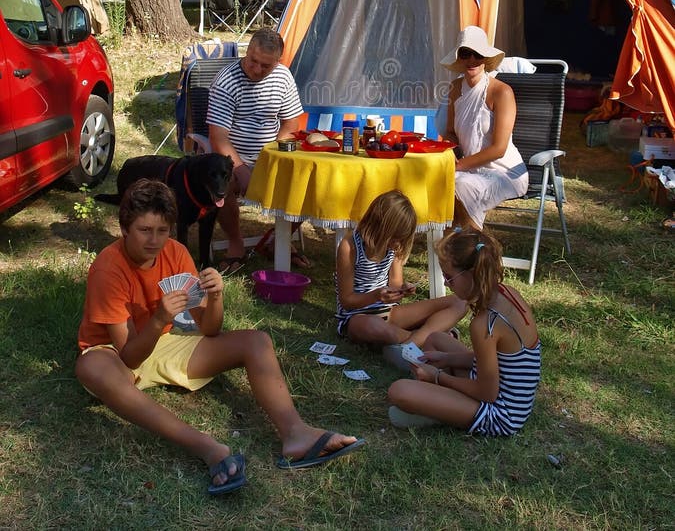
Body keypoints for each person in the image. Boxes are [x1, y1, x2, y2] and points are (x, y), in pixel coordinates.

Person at [76, 179, 364, 496]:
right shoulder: (108, 267)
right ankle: (209, 449)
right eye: (145, 230)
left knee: (255, 340)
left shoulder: (176, 252)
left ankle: (296, 434)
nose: (155, 240)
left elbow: (210, 329)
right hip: (115, 353)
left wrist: (215, 298)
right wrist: (159, 318)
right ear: (124, 229)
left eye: (163, 230)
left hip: (163, 342)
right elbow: (129, 357)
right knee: (92, 368)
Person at [387, 227, 541, 433]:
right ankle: (442, 403)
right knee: (435, 339)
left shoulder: (484, 324)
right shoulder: (508, 293)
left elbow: (487, 393)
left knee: (400, 390)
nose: (445, 283)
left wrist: (437, 377)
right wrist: (448, 359)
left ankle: (442, 412)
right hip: (501, 392)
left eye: (449, 277)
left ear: (471, 274)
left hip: (501, 415)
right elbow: (503, 363)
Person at [207, 28, 305, 272]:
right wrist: (242, 171)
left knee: (309, 183)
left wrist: (274, 155)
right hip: (232, 158)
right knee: (223, 186)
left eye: (266, 66)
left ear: (278, 62)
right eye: (254, 61)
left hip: (269, 156)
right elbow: (218, 138)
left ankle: (278, 241)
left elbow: (291, 123)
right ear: (247, 51)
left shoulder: (283, 77)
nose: (258, 69)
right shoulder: (227, 80)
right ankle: (235, 242)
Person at [335, 190, 467, 367]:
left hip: (389, 312)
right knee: (372, 326)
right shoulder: (349, 246)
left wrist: (402, 290)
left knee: (460, 302)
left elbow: (395, 283)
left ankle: (409, 345)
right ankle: (436, 339)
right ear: (378, 227)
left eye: (401, 239)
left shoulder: (394, 247)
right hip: (357, 317)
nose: (397, 244)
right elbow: (346, 301)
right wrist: (376, 296)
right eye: (395, 238)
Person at [439, 25, 528, 231]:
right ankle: (453, 246)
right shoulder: (455, 88)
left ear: (486, 58)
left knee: (460, 185)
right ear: (459, 57)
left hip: (504, 173)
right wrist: (451, 153)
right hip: (469, 169)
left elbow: (499, 149)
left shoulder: (502, 92)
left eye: (477, 54)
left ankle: (471, 247)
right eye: (465, 53)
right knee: (441, 180)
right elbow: (451, 132)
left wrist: (459, 165)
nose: (471, 60)